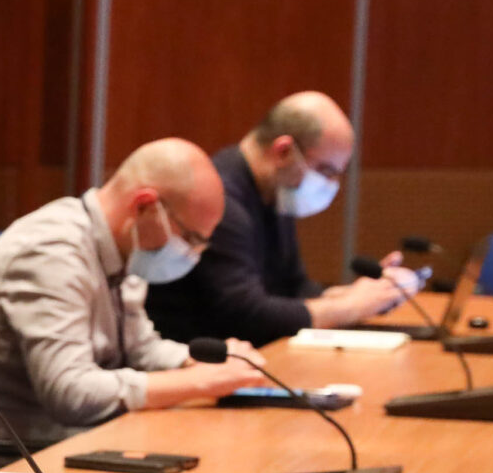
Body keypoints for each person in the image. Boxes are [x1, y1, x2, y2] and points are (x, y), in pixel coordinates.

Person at [0, 138, 266, 446]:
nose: (194, 253)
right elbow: (70, 394)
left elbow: (140, 349)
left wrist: (201, 362)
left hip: (74, 438)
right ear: (145, 205)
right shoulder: (53, 251)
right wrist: (199, 382)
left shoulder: (127, 247)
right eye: (191, 238)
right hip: (12, 455)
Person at [147, 92, 417, 345]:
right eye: (325, 171)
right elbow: (247, 315)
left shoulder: (274, 193)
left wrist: (359, 295)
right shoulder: (220, 200)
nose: (332, 184)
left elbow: (292, 288)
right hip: (197, 358)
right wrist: (350, 308)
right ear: (284, 151)